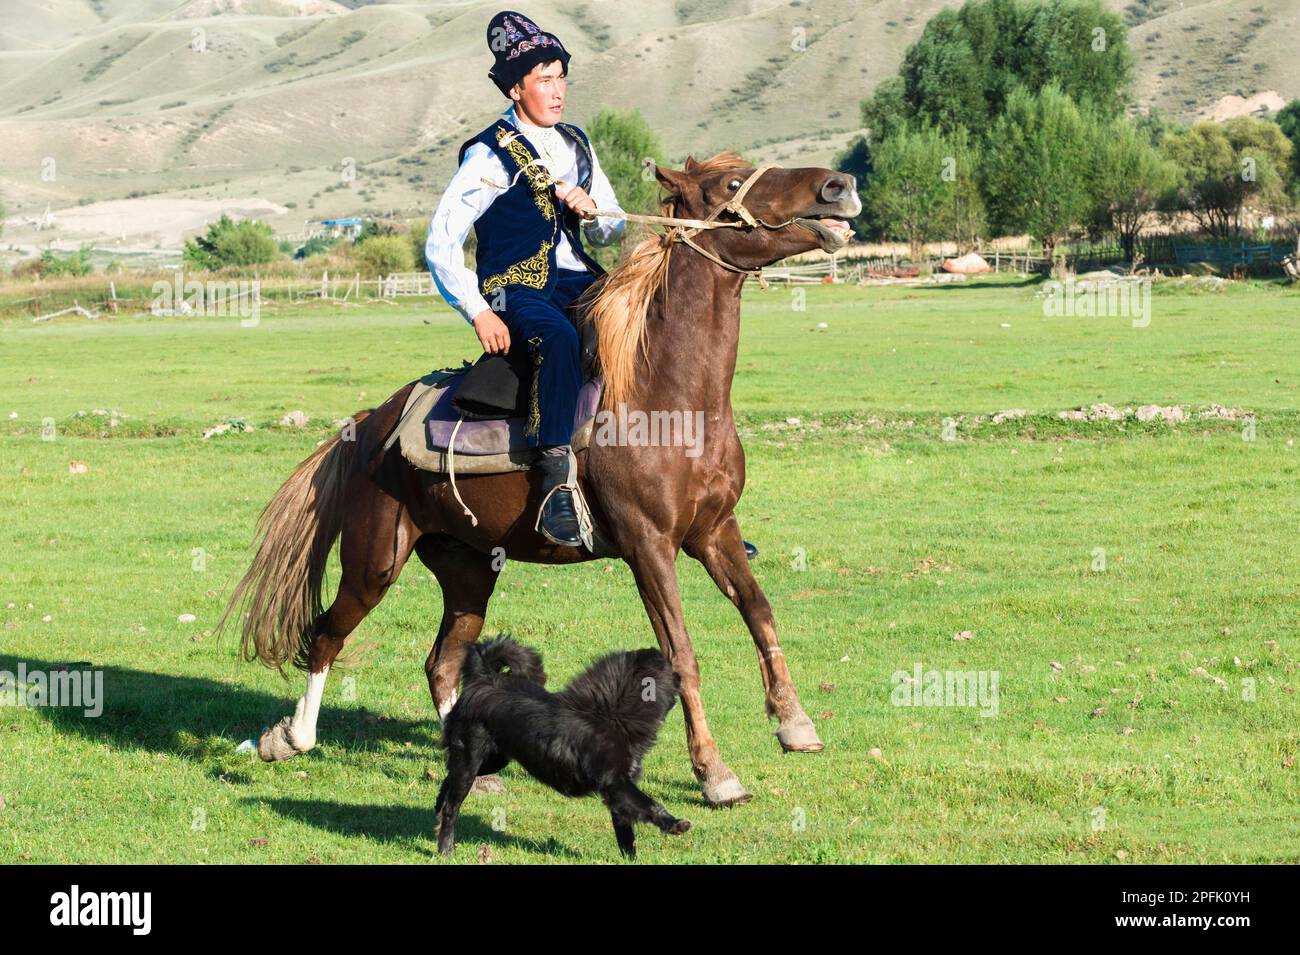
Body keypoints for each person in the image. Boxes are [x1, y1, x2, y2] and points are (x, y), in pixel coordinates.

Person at [425, 10, 624, 547]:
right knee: (558, 337)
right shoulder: (488, 154)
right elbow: (441, 240)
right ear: (516, 89)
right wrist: (479, 309)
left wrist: (596, 215)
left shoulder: (579, 144)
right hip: (518, 288)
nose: (557, 90)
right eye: (544, 79)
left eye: (561, 76)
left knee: (654, 322)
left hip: (582, 280)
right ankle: (555, 480)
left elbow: (613, 228)